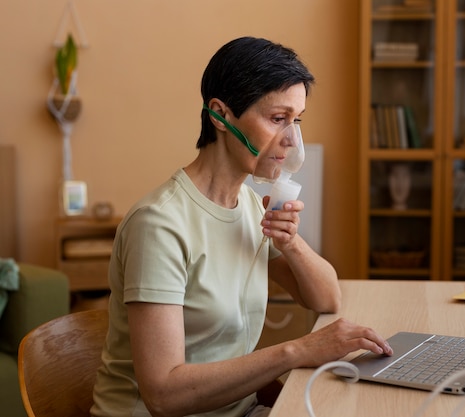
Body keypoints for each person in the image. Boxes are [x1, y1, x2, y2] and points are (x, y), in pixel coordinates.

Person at [91, 36, 393, 417]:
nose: (291, 140)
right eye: (277, 119)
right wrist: (296, 351)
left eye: (296, 120)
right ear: (220, 115)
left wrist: (291, 242)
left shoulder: (248, 206)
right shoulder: (159, 225)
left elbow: (327, 299)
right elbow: (164, 395)